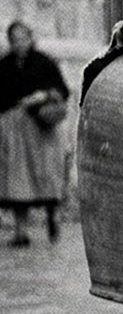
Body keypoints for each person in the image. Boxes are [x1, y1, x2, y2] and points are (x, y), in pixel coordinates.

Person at [0, 20, 71, 246]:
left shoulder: (44, 62)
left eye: (23, 38)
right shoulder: (5, 65)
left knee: (46, 178)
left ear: (30, 38)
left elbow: (62, 90)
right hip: (13, 132)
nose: (19, 43)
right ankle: (21, 232)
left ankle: (52, 217)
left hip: (41, 132)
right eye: (14, 39)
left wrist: (44, 95)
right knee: (16, 182)